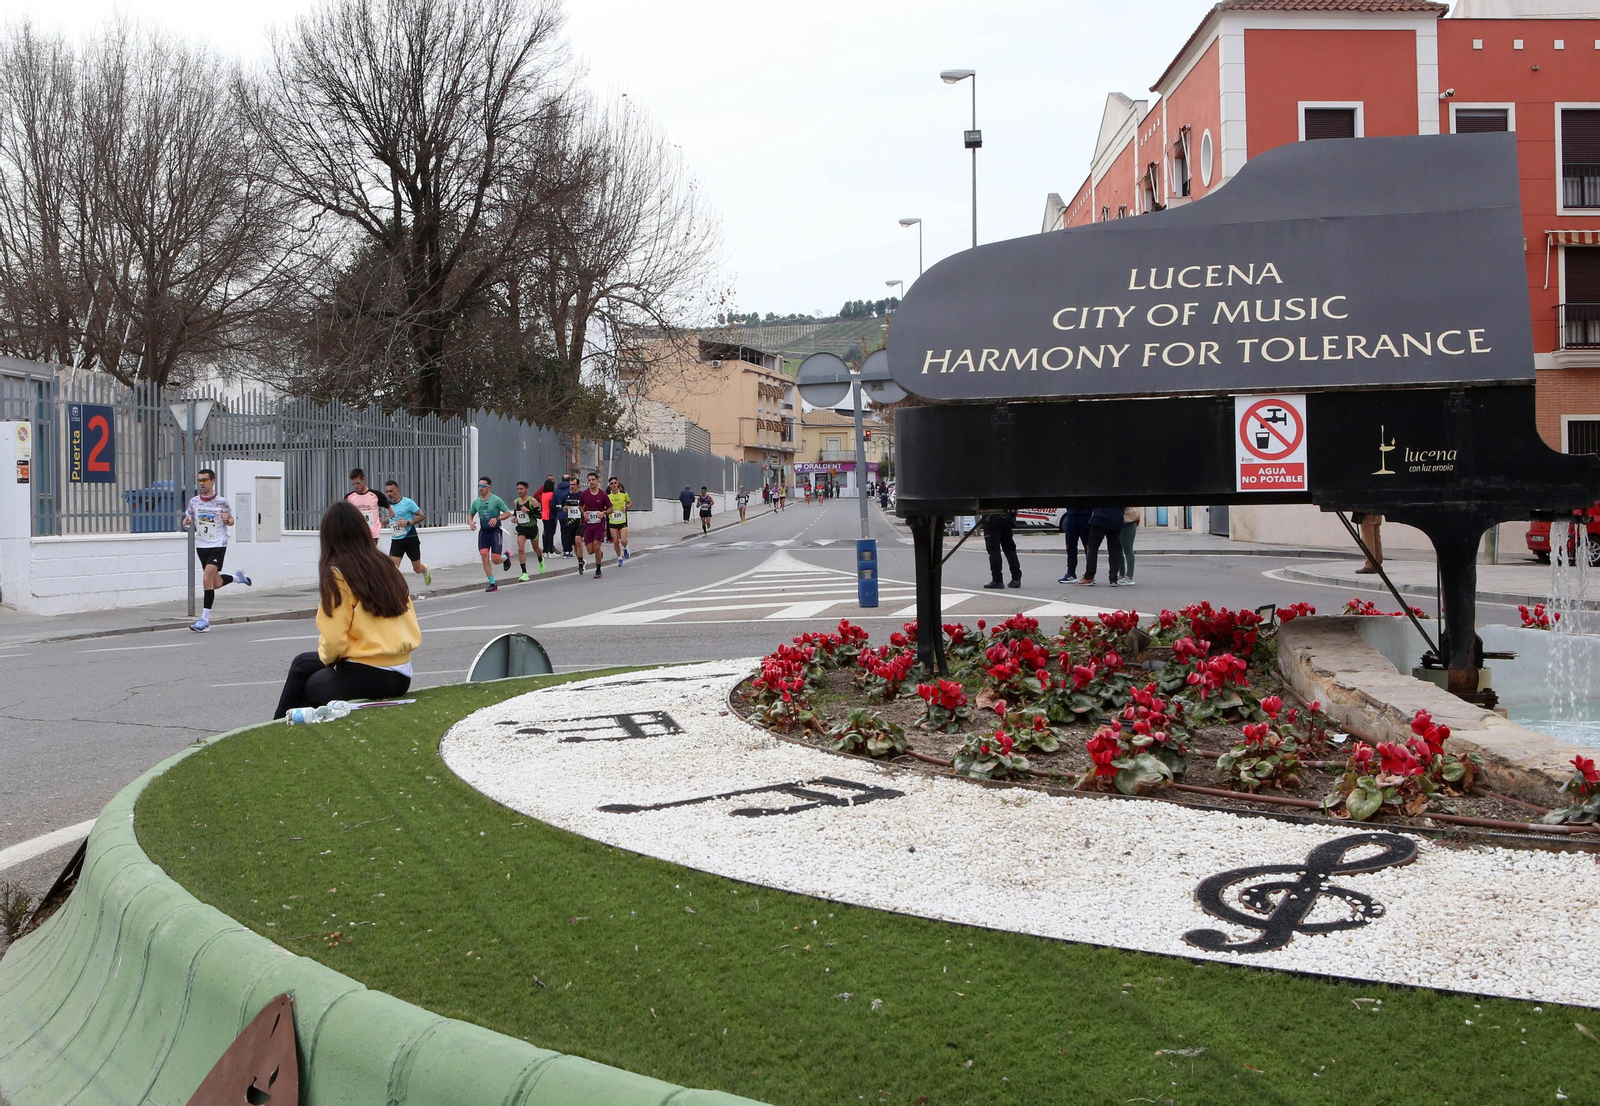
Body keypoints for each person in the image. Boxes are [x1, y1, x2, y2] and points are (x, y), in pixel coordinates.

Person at [272, 501, 420, 719]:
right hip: (400, 673)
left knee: (313, 685)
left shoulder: (338, 572)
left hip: (371, 671)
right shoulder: (386, 565)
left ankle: (279, 730)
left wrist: (330, 663)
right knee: (301, 664)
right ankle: (277, 726)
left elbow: (333, 640)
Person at [181, 468, 251, 632]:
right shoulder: (194, 501)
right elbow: (189, 516)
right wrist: (187, 521)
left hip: (218, 544)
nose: (202, 484)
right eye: (199, 481)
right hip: (202, 545)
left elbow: (232, 520)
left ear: (212, 481)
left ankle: (204, 620)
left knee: (206, 579)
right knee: (215, 582)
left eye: (205, 480)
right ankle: (237, 578)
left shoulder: (221, 502)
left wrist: (228, 520)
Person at [383, 479, 431, 586]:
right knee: (393, 569)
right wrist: (381, 522)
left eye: (391, 491)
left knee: (417, 569)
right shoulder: (388, 506)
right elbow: (391, 519)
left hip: (410, 538)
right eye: (387, 491)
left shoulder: (408, 502)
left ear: (398, 490)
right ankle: (397, 590)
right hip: (396, 540)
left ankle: (425, 570)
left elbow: (422, 516)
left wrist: (408, 522)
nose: (389, 494)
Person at [468, 477, 513, 591]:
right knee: (484, 555)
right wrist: (471, 522)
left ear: (489, 487)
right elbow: (470, 514)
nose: (480, 489)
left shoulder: (496, 500)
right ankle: (492, 583)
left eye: (483, 487)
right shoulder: (477, 502)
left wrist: (497, 518)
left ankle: (506, 556)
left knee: (496, 560)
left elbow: (508, 513)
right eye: (479, 486)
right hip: (484, 532)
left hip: (495, 531)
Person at [1078, 506, 1125, 588]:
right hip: (1116, 517)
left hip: (1100, 518)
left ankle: (1089, 577)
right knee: (1114, 548)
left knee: (1093, 547)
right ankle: (1113, 578)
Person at [578, 471, 612, 577]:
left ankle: (598, 570)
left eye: (593, 480)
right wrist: (584, 513)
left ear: (597, 480)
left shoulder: (603, 494)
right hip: (588, 524)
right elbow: (580, 506)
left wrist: (604, 513)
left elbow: (611, 509)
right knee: (590, 550)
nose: (591, 482)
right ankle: (600, 554)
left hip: (599, 524)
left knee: (597, 546)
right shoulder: (584, 494)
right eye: (589, 480)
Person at [511, 480, 544, 581]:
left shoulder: (532, 501)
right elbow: (517, 515)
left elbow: (540, 515)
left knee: (536, 548)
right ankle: (524, 573)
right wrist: (515, 518)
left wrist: (528, 511)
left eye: (521, 489)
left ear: (526, 489)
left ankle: (540, 559)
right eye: (518, 489)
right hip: (521, 528)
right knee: (520, 549)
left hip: (532, 528)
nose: (519, 491)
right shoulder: (516, 502)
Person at [346, 468, 391, 543]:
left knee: (367, 554)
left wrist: (381, 521)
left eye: (357, 483)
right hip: (356, 534)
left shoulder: (376, 495)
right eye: (353, 484)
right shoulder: (349, 497)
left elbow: (392, 513)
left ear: (364, 479)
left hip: (372, 535)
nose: (355, 486)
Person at [982, 510, 1022, 590]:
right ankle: (1016, 577)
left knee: (994, 550)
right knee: (1009, 548)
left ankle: (997, 580)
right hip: (1006, 516)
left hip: (992, 517)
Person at [1058, 507, 1092, 584]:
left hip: (1085, 515)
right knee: (1070, 547)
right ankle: (1071, 573)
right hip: (1071, 516)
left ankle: (1089, 575)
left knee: (1088, 547)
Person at [607, 476, 632, 564]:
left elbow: (630, 502)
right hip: (612, 521)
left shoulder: (623, 494)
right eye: (611, 483)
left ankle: (625, 548)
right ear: (609, 485)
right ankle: (619, 558)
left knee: (623, 540)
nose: (613, 485)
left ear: (618, 484)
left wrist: (626, 507)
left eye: (615, 483)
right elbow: (605, 507)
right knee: (615, 541)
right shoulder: (608, 497)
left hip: (622, 520)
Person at [536, 476, 559, 561]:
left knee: (546, 533)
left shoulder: (543, 495)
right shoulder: (552, 495)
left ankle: (545, 551)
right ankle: (550, 551)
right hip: (551, 515)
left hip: (544, 515)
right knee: (550, 534)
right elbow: (552, 505)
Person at [554, 474, 576, 557]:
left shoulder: (556, 490)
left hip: (560, 515)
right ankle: (570, 549)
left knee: (563, 532)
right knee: (570, 532)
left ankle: (566, 550)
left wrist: (557, 511)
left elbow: (554, 503)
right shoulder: (571, 490)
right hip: (571, 515)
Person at [1118, 506, 1141, 586]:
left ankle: (1129, 576)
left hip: (1128, 521)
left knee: (1128, 548)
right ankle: (1121, 574)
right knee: (1118, 549)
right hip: (1117, 520)